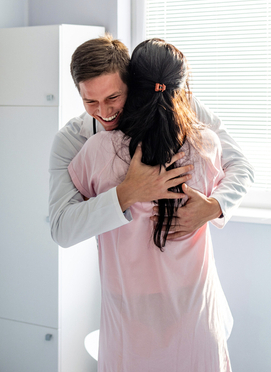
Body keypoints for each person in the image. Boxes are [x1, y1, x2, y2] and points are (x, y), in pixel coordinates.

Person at [68, 38, 233, 371]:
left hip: (130, 318)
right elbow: (238, 172)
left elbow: (73, 216)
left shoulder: (99, 152)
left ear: (132, 86)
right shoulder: (207, 146)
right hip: (194, 314)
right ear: (182, 88)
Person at [48, 34, 253, 248]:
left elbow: (240, 165)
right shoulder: (70, 141)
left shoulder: (177, 105)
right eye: (90, 101)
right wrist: (126, 193)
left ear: (132, 85)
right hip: (123, 266)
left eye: (113, 98)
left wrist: (215, 206)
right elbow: (62, 229)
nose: (103, 111)